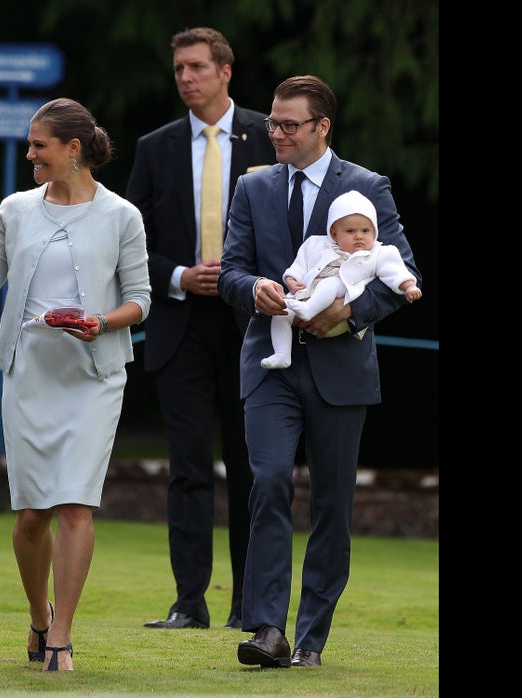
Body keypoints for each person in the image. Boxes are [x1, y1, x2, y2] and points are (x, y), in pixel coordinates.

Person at [218, 75, 422, 668]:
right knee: (271, 480)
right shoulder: (252, 187)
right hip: (270, 363)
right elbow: (230, 269)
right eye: (271, 124)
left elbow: (399, 271)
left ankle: (311, 637)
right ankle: (266, 630)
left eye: (287, 125)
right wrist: (252, 288)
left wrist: (344, 314)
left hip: (342, 368)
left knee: (332, 502)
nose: (273, 133)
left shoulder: (366, 186)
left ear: (322, 127)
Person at [0, 98, 151, 672]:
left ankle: (62, 637)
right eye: (29, 143)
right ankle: (39, 618)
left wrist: (102, 324)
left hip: (94, 377)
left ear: (73, 149)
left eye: (39, 144)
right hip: (29, 374)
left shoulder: (122, 215)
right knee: (30, 516)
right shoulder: (15, 209)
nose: (29, 153)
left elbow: (139, 300)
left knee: (75, 504)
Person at [125, 27, 276, 631]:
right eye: (178, 68)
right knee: (188, 467)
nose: (185, 77)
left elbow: (294, 231)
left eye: (195, 67)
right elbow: (134, 244)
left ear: (224, 72)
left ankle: (249, 605)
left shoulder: (272, 136)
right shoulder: (155, 146)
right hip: (180, 323)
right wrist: (182, 275)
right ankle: (189, 602)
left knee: (250, 468)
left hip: (255, 325)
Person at [261, 189, 421, 369]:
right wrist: (291, 280)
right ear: (334, 233)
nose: (359, 236)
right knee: (281, 314)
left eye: (366, 230)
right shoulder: (316, 244)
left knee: (331, 283)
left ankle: (308, 310)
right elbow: (299, 266)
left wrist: (409, 287)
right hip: (307, 295)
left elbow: (396, 271)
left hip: (341, 311)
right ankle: (282, 354)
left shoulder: (379, 253)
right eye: (350, 231)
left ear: (374, 231)